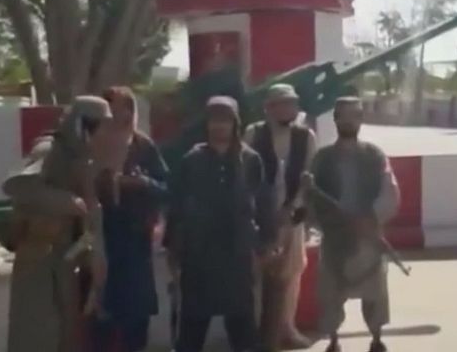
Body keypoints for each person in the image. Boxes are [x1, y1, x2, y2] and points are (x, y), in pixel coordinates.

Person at [0, 96, 115, 352]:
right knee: (36, 331)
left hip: (66, 257)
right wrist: (65, 201)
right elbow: (16, 185)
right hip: (37, 256)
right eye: (98, 125)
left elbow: (91, 208)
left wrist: (97, 253)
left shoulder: (83, 158)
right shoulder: (48, 150)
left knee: (66, 334)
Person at [168, 95, 277, 352]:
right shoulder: (192, 160)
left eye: (225, 120)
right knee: (191, 331)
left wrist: (266, 243)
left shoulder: (249, 160)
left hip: (237, 256)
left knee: (243, 331)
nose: (219, 125)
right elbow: (177, 208)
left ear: (234, 123)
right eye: (214, 120)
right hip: (199, 256)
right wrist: (173, 252)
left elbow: (263, 203)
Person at [301, 96, 400, 352]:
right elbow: (311, 197)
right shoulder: (322, 158)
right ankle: (333, 340)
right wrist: (318, 220)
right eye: (343, 115)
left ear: (361, 119)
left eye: (354, 115)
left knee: (374, 293)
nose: (348, 120)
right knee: (331, 294)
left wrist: (372, 217)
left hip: (368, 236)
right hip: (335, 237)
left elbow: (388, 190)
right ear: (335, 119)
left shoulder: (374, 155)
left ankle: (376, 338)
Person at [88, 86, 170, 352]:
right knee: (101, 315)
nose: (117, 113)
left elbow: (166, 188)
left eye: (123, 107)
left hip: (135, 242)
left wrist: (141, 182)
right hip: (101, 238)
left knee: (136, 317)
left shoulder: (142, 146)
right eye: (110, 107)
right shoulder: (91, 145)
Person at [244, 84, 316, 351]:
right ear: (269, 108)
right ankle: (256, 332)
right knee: (257, 273)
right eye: (283, 104)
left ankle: (286, 329)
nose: (288, 109)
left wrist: (292, 208)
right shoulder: (254, 133)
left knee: (292, 273)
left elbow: (308, 176)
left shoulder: (305, 136)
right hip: (259, 217)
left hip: (292, 217)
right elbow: (245, 174)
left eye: (292, 103)